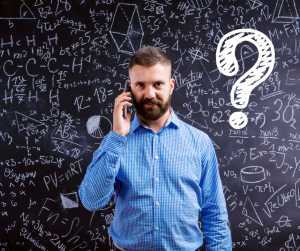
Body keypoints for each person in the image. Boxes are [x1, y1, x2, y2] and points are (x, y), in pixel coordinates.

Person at [79, 46, 232, 251]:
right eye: (140, 85)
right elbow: (91, 201)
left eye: (158, 84)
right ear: (129, 88)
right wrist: (116, 136)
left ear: (170, 85)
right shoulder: (115, 143)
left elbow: (214, 211)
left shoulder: (200, 143)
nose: (149, 94)